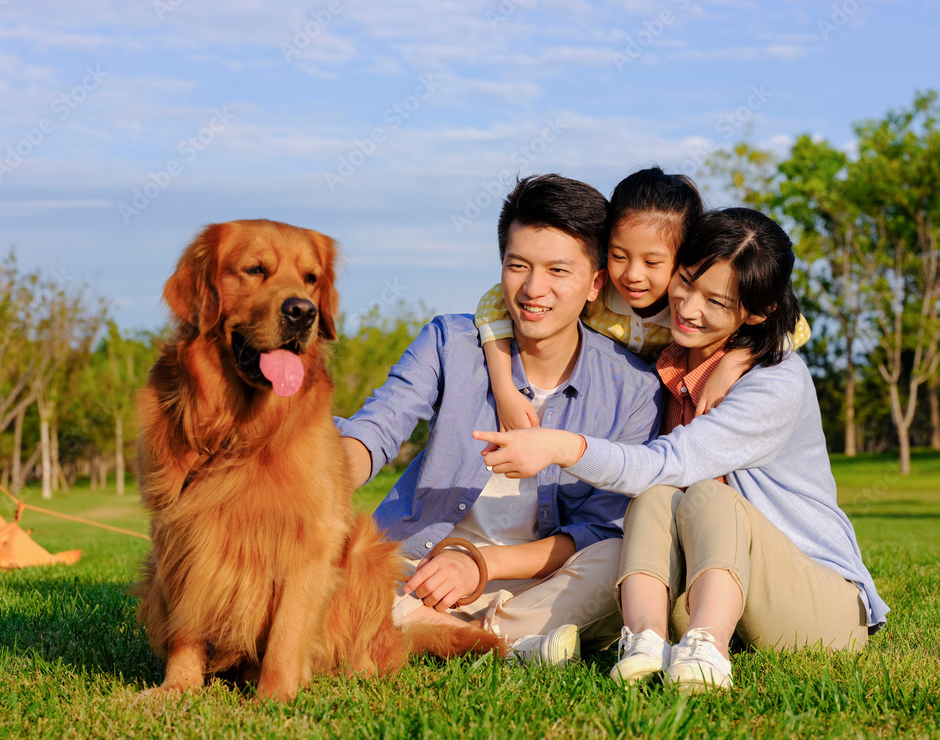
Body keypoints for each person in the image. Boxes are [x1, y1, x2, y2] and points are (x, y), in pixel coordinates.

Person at [473, 207, 888, 690]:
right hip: (715, 581)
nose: (688, 308)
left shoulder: (774, 380)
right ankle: (643, 643)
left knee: (703, 493)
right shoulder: (668, 354)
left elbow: (668, 461)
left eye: (715, 301)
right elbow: (516, 299)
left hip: (820, 606)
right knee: (656, 498)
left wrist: (563, 446)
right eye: (686, 282)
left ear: (756, 313)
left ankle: (707, 650)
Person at [336, 174, 662, 665]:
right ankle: (509, 645)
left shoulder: (634, 389)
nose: (534, 289)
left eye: (558, 270)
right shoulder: (450, 342)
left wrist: (477, 564)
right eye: (518, 266)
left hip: (536, 579)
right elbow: (378, 427)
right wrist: (326, 480)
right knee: (343, 564)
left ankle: (453, 632)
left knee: (623, 558)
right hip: (414, 565)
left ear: (596, 283)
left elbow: (598, 529)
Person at [473, 167, 811, 430]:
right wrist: (504, 390)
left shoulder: (690, 312)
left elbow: (795, 328)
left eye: (652, 262)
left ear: (684, 257)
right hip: (596, 405)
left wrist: (734, 361)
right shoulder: (596, 290)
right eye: (619, 255)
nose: (633, 274)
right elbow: (494, 303)